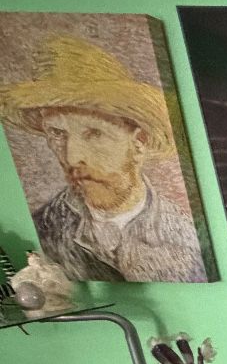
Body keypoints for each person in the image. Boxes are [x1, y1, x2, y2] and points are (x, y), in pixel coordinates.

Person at [0, 35, 206, 282]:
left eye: (94, 133)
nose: (72, 157)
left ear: (139, 141)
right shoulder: (44, 229)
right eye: (57, 133)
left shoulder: (187, 236)